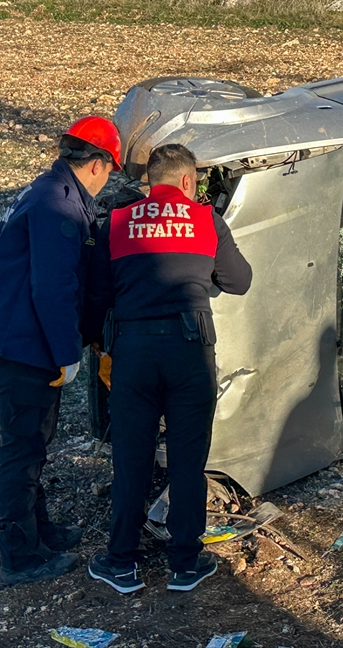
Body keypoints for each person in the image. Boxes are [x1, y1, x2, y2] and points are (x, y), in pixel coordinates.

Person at [85, 143, 252, 594]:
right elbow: (239, 281)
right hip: (190, 347)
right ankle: (185, 562)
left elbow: (96, 293)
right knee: (187, 457)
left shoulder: (117, 224)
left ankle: (120, 561)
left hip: (134, 350)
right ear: (185, 181)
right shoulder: (206, 221)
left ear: (150, 181)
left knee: (131, 457)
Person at [0, 116, 122, 585]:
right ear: (97, 164)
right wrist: (68, 351)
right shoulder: (57, 205)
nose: (108, 181)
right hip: (24, 346)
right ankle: (21, 557)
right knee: (23, 449)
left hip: (13, 337)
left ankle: (41, 532)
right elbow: (55, 286)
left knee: (34, 443)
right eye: (110, 171)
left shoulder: (43, 191)